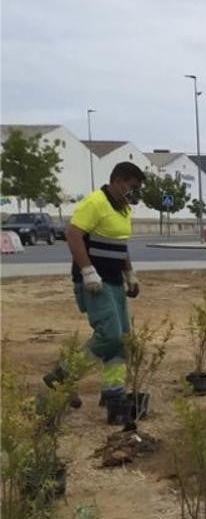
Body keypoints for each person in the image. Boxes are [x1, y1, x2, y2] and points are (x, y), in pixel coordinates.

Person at [45, 162, 146, 406]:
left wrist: (129, 273)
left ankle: (113, 392)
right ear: (119, 181)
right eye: (132, 187)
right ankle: (64, 375)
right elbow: (73, 234)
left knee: (121, 339)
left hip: (114, 281)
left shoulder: (123, 210)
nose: (134, 193)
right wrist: (88, 271)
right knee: (109, 334)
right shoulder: (95, 202)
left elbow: (120, 244)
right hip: (94, 283)